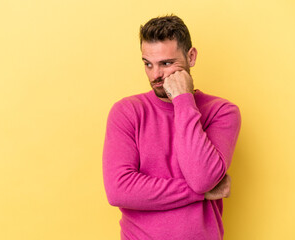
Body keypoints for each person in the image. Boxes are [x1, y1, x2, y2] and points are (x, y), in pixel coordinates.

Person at [102, 15, 241, 240]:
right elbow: (119, 190)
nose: (155, 75)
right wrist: (202, 194)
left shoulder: (222, 112)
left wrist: (183, 99)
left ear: (191, 57)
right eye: (148, 64)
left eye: (166, 63)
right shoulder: (127, 111)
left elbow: (202, 178)